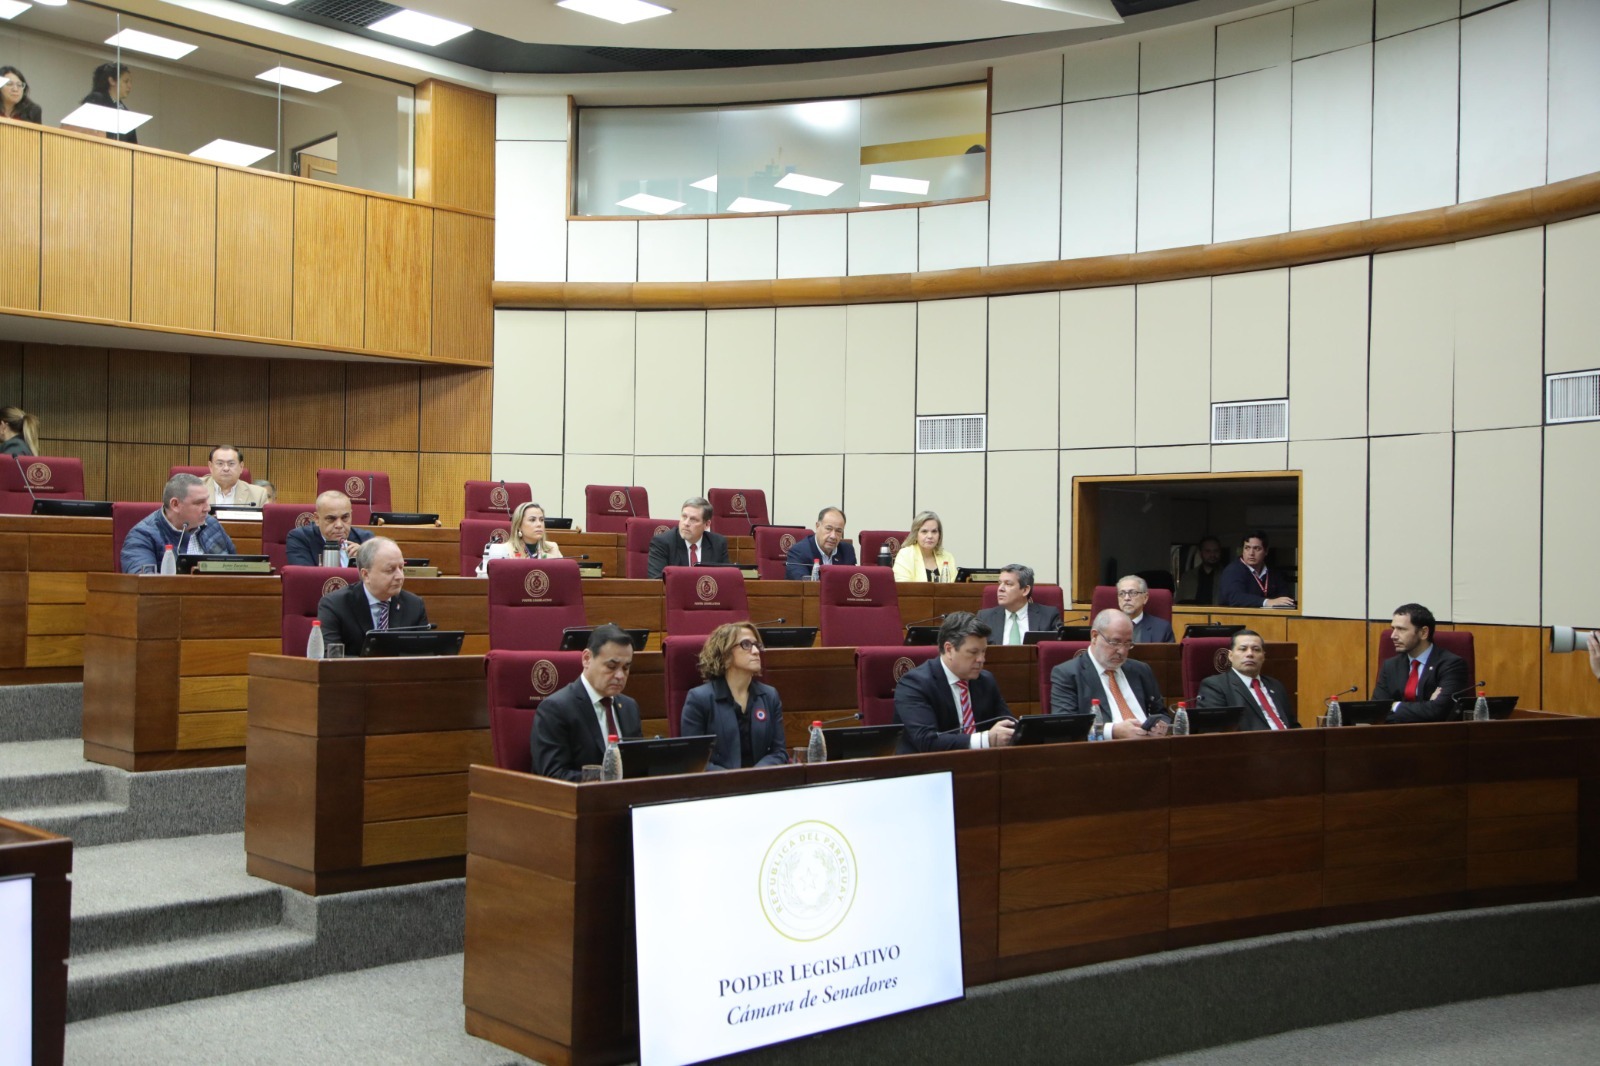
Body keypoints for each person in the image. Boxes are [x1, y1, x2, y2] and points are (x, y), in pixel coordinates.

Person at [532, 622, 644, 781]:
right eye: (611, 666)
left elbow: (637, 767)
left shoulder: (629, 707)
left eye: (626, 668)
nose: (620, 675)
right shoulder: (555, 709)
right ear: (587, 659)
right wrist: (607, 778)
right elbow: (553, 776)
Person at [893, 612, 1015, 753]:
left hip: (979, 766)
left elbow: (1008, 723)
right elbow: (927, 741)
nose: (981, 659)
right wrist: (985, 739)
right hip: (928, 768)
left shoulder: (986, 680)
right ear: (949, 650)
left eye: (983, 652)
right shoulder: (914, 684)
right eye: (973, 652)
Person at [679, 622, 787, 770]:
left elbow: (779, 752)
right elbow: (693, 760)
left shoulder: (769, 696)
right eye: (746, 644)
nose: (756, 651)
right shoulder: (699, 699)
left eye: (757, 645)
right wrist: (735, 781)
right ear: (725, 654)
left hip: (761, 785)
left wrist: (754, 776)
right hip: (718, 788)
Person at [1048, 609, 1168, 738]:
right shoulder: (1068, 674)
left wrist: (1161, 726)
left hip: (1151, 747)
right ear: (1094, 636)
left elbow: (1162, 713)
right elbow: (1065, 726)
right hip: (1104, 751)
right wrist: (1112, 731)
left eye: (1128, 643)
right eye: (1115, 642)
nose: (1122, 651)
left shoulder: (1141, 670)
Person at [315, 537, 427, 657]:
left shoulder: (414, 605)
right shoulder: (335, 605)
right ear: (366, 575)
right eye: (390, 570)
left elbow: (424, 654)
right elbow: (331, 656)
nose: (400, 576)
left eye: (401, 568)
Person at [1371, 603, 1469, 723]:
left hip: (1436, 737)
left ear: (1423, 633)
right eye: (1393, 629)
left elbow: (1439, 712)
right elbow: (1376, 712)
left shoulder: (1451, 665)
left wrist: (1395, 706)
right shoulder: (1390, 666)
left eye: (1401, 629)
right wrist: (1428, 705)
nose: (1393, 636)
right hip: (1394, 736)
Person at [120, 473, 237, 573]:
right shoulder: (142, 537)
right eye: (199, 502)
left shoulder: (211, 524)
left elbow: (236, 568)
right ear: (175, 504)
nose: (208, 508)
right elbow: (145, 585)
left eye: (207, 500)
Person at [1196, 629, 1298, 730]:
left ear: (1263, 657)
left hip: (1288, 742)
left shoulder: (1275, 685)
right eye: (1243, 649)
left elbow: (1293, 725)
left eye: (1256, 649)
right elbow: (1215, 732)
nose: (1250, 654)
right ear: (1230, 656)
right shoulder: (1215, 686)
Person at [977, 563, 1063, 646]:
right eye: (1000, 583)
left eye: (1008, 584)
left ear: (1025, 590)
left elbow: (1056, 650)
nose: (1000, 588)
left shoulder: (1049, 616)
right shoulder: (984, 618)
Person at [647, 496, 728, 579]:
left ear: (707, 524)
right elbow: (657, 582)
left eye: (693, 519)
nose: (686, 523)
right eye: (684, 517)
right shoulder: (662, 543)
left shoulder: (717, 543)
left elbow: (726, 578)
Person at [286, 490, 372, 567]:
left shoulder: (365, 540)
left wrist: (364, 560)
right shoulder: (300, 538)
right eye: (331, 518)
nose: (339, 525)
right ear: (317, 519)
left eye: (345, 517)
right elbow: (303, 578)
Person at [478, 500, 563, 575]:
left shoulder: (552, 548)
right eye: (532, 520)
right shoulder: (504, 550)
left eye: (541, 520)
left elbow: (563, 577)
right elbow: (484, 582)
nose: (539, 524)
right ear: (519, 525)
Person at [1217, 531, 1296, 609]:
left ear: (1266, 551)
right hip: (1237, 620)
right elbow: (1235, 598)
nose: (1251, 553)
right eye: (1247, 548)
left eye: (1257, 548)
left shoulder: (1274, 573)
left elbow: (1286, 598)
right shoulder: (1233, 570)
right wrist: (1267, 602)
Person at [67, 62, 138, 144]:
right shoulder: (96, 99)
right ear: (112, 81)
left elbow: (132, 142)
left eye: (130, 82)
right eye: (126, 81)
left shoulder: (125, 111)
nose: (130, 86)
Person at [785, 506, 855, 579]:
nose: (833, 536)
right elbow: (803, 585)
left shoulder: (847, 551)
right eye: (828, 529)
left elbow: (851, 583)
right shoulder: (799, 551)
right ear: (817, 526)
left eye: (838, 531)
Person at [892, 510, 956, 582]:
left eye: (934, 531)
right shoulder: (905, 555)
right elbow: (903, 588)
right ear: (916, 534)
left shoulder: (947, 557)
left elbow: (955, 588)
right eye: (924, 531)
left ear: (939, 534)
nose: (930, 536)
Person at [200, 445, 269, 507]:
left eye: (231, 463)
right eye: (220, 463)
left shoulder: (258, 494)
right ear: (210, 466)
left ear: (241, 467)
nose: (226, 468)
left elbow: (265, 521)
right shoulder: (192, 488)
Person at [1116, 574, 1174, 643]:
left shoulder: (1162, 629)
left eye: (1133, 593)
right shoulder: (1106, 626)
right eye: (1122, 593)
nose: (1126, 598)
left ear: (1145, 598)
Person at [1176, 536, 1224, 606]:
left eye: (1216, 551)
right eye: (1208, 551)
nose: (1212, 555)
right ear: (1200, 552)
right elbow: (1178, 603)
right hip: (1191, 615)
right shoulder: (1188, 577)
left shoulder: (1227, 576)